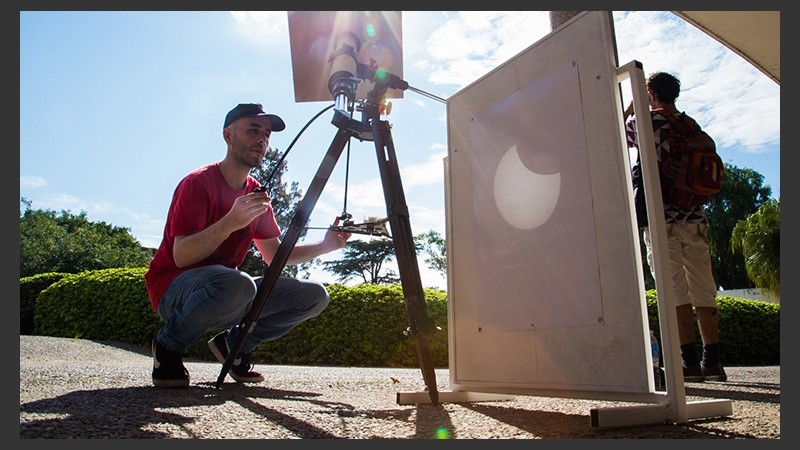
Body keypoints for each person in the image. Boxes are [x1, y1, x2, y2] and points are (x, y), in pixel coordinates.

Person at [145, 103, 352, 388]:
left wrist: (325, 245)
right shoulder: (197, 183)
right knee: (239, 284)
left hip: (229, 290)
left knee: (315, 296)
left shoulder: (256, 194)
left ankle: (234, 344)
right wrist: (231, 221)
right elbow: (181, 256)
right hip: (174, 289)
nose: (262, 139)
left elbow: (276, 256)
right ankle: (168, 345)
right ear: (228, 136)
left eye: (267, 134)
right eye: (253, 130)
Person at [623, 72, 726, 382]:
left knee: (674, 289)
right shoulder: (690, 125)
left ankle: (690, 362)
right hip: (695, 218)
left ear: (651, 93)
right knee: (703, 287)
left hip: (662, 217)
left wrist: (630, 109)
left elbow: (616, 132)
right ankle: (713, 360)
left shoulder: (648, 121)